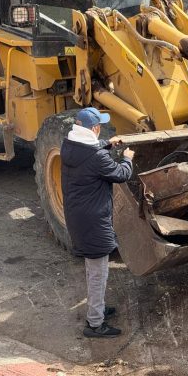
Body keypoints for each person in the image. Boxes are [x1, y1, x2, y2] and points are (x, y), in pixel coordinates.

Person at [60, 107, 135, 338]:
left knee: (93, 269)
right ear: (94, 128)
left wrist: (107, 144)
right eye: (99, 125)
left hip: (79, 217)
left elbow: (90, 154)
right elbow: (121, 174)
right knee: (98, 273)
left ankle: (98, 309)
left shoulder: (69, 146)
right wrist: (127, 158)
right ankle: (95, 324)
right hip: (94, 223)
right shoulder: (96, 157)